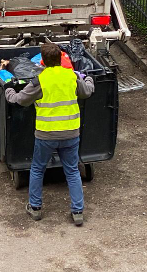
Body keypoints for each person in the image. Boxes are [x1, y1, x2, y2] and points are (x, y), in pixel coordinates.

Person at [5, 43, 94, 225]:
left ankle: (35, 208)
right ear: (61, 59)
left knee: (38, 169)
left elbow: (19, 100)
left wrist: (8, 89)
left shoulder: (40, 80)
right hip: (71, 133)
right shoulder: (71, 76)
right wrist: (89, 79)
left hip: (46, 135)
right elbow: (86, 92)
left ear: (43, 61)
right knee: (72, 170)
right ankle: (78, 212)